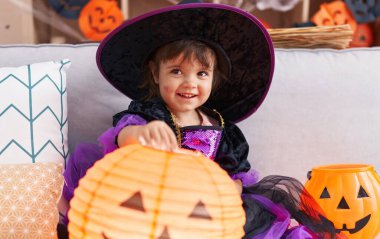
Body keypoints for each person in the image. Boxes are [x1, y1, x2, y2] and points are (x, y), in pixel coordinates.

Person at [58, 3, 344, 239]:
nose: (189, 83)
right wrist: (143, 134)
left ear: (214, 79)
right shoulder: (149, 115)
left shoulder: (223, 129)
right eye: (177, 72)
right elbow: (122, 137)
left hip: (202, 208)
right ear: (156, 75)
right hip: (151, 195)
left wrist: (230, 191)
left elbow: (237, 178)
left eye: (201, 74)